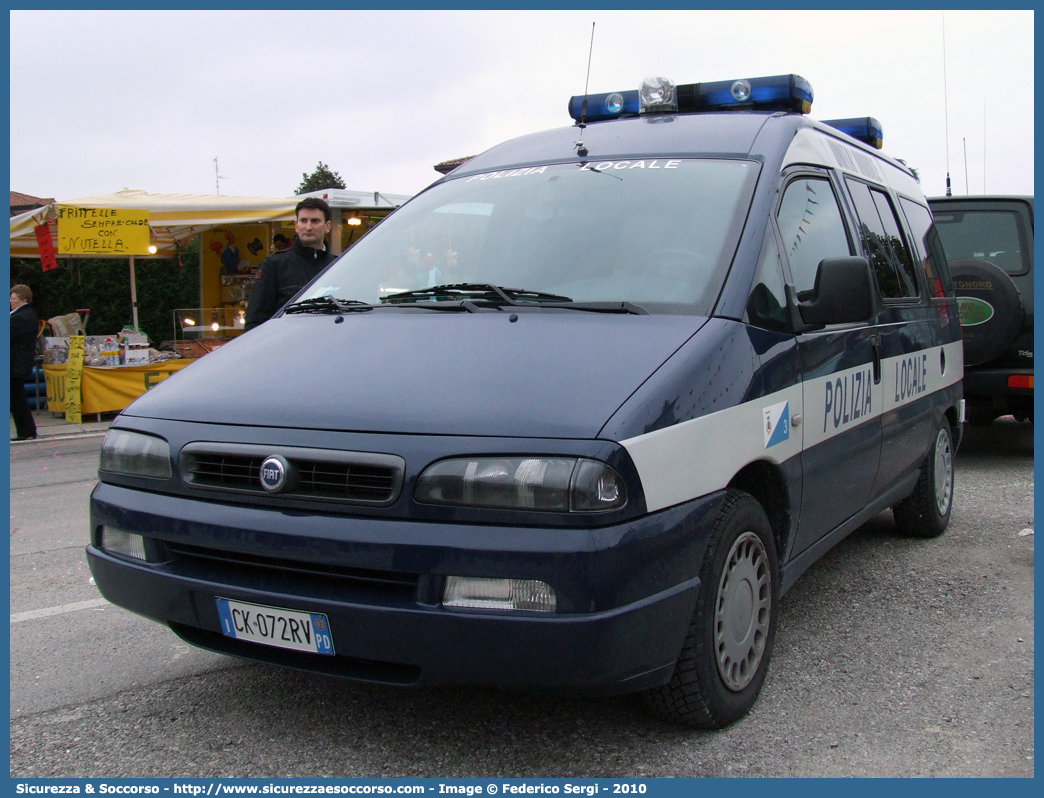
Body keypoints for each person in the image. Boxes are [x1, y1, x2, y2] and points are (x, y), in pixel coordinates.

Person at [244, 198, 337, 331]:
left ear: (327, 226)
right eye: (303, 221)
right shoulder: (274, 265)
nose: (308, 227)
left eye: (315, 221)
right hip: (285, 346)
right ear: (296, 226)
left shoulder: (337, 266)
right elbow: (255, 321)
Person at [10, 284, 38, 441]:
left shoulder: (21, 317)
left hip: (15, 362)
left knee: (17, 397)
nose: (11, 302)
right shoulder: (24, 314)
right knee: (17, 396)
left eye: (14, 299)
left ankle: (25, 430)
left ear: (23, 299)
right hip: (19, 360)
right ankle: (27, 429)